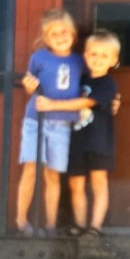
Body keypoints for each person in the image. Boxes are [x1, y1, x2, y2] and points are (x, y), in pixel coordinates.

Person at [35, 29, 120, 235]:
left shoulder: (108, 84)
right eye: (93, 54)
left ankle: (95, 227)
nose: (98, 59)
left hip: (99, 142)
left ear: (113, 60)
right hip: (76, 140)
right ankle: (79, 225)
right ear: (85, 55)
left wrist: (52, 105)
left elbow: (87, 101)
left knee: (99, 184)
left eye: (104, 55)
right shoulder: (79, 81)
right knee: (76, 184)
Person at [16, 8, 83, 235]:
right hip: (36, 121)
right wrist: (29, 86)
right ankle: (21, 221)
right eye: (54, 34)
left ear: (73, 33)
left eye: (64, 32)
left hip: (62, 125)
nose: (60, 37)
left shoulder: (79, 61)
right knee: (31, 169)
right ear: (46, 38)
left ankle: (51, 225)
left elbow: (88, 87)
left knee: (53, 174)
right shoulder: (39, 58)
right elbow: (29, 83)